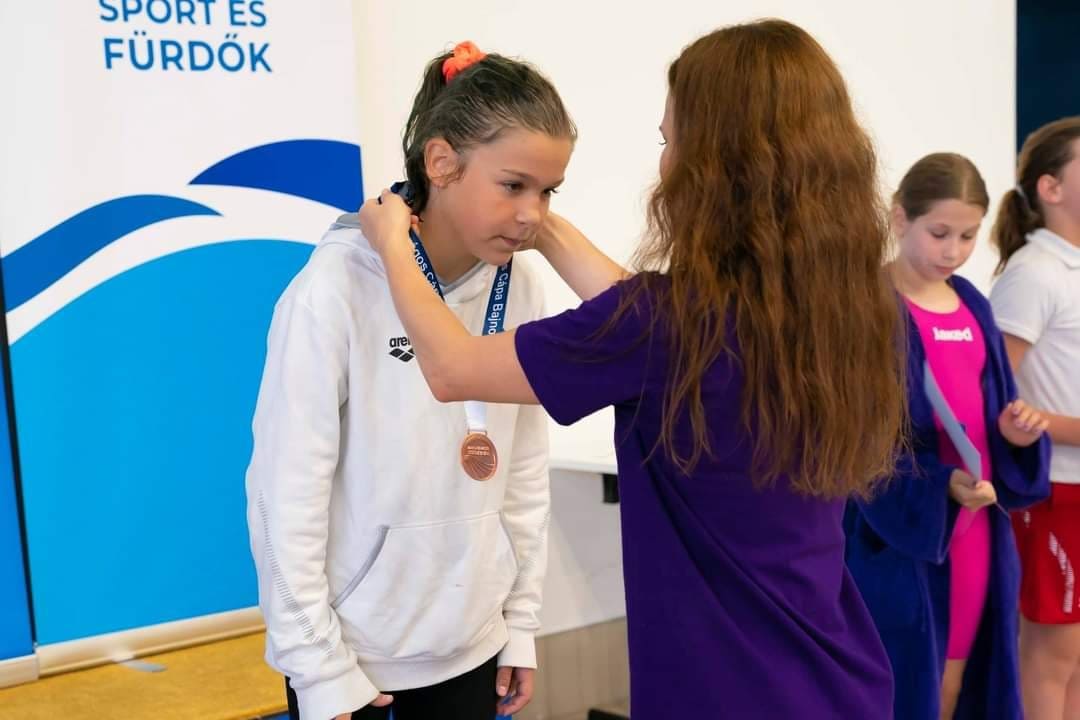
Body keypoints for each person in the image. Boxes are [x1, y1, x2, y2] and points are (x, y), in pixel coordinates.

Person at [359, 19, 907, 719]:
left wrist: (391, 241)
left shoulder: (663, 325)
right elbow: (650, 315)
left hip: (724, 693)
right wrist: (533, 212)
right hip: (836, 679)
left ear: (715, 167)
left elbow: (451, 367)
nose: (664, 163)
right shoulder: (847, 310)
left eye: (670, 141)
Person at [245, 41, 575, 720]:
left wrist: (519, 622)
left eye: (548, 192)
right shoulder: (335, 287)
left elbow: (523, 466)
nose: (533, 215)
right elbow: (285, 491)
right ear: (442, 163)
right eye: (514, 185)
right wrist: (316, 664)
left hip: (475, 645)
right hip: (355, 661)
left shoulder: (522, 286)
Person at [845, 152, 1051, 719]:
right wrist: (938, 484)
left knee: (956, 684)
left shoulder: (974, 304)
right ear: (899, 218)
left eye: (968, 236)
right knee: (898, 687)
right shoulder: (867, 309)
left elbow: (992, 415)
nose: (954, 251)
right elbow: (853, 442)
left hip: (973, 528)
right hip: (896, 533)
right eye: (939, 234)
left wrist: (1015, 434)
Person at [989, 117, 1080, 720]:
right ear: (1051, 188)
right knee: (1051, 656)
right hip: (1054, 491)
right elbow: (994, 401)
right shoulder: (1034, 272)